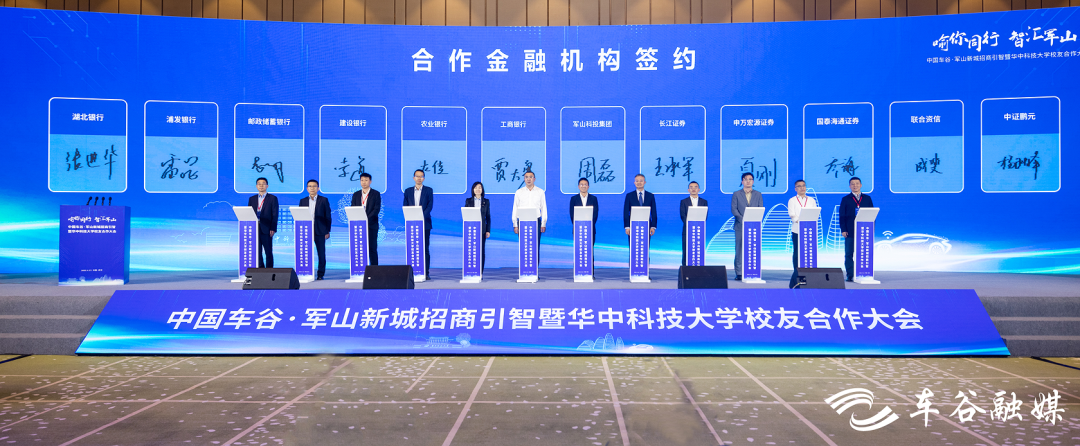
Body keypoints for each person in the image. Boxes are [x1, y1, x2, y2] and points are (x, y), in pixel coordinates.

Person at [839, 176, 874, 282]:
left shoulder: (867, 198)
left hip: (864, 231)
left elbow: (872, 214)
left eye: (857, 183)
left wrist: (871, 229)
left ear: (861, 185)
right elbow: (842, 216)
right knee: (849, 253)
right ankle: (850, 274)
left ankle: (863, 273)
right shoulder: (845, 199)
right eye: (853, 184)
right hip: (850, 231)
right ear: (849, 186)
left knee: (863, 252)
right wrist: (843, 229)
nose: (855, 185)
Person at [731, 172, 764, 280]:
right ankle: (739, 272)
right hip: (740, 226)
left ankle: (752, 270)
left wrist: (754, 220)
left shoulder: (758, 194)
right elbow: (734, 209)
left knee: (753, 249)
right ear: (742, 181)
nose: (748, 181)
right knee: (739, 249)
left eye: (750, 179)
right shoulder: (736, 194)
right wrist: (743, 219)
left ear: (753, 181)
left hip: (754, 226)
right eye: (746, 179)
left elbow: (760, 208)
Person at [403, 169, 434, 279]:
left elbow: (429, 206)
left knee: (425, 249)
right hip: (411, 224)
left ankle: (426, 272)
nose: (419, 178)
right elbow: (405, 206)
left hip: (425, 223)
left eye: (421, 176)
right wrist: (412, 217)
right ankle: (412, 272)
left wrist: (420, 217)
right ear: (414, 178)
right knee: (413, 248)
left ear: (424, 178)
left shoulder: (429, 190)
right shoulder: (408, 191)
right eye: (417, 176)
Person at [512, 171, 547, 263]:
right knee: (524, 245)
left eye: (530, 177)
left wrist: (543, 223)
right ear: (524, 179)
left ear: (534, 179)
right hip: (522, 221)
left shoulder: (540, 192)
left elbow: (543, 208)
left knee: (535, 245)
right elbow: (515, 208)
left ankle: (535, 268)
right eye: (526, 177)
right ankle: (524, 268)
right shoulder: (519, 192)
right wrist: (515, 224)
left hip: (536, 221)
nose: (528, 179)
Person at [300, 179, 332, 280]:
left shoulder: (324, 200)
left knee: (321, 253)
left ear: (318, 188)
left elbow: (328, 216)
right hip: (306, 231)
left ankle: (320, 274)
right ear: (307, 188)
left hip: (320, 230)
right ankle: (306, 272)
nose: (312, 188)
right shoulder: (303, 201)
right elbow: (300, 216)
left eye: (314, 186)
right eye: (310, 186)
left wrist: (327, 230)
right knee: (306, 253)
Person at [350, 173, 381, 266]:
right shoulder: (356, 194)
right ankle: (360, 268)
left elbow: (376, 210)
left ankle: (374, 269)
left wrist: (366, 219)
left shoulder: (376, 194)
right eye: (362, 180)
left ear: (370, 181)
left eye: (366, 180)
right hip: (358, 226)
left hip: (371, 225)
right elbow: (353, 208)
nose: (364, 182)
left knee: (372, 248)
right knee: (359, 248)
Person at [247, 177, 278, 268]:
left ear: (267, 186)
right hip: (255, 228)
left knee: (268, 251)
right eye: (259, 184)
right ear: (256, 186)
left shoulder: (272, 198)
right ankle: (261, 269)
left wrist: (273, 228)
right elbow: (249, 213)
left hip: (267, 228)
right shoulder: (252, 199)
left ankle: (269, 270)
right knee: (257, 251)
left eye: (263, 184)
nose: (261, 185)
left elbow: (275, 214)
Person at [787, 179, 816, 271]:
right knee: (797, 252)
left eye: (803, 185)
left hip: (809, 229)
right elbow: (792, 214)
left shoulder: (811, 200)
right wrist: (800, 221)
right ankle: (797, 272)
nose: (802, 188)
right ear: (795, 189)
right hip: (797, 230)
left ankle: (810, 272)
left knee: (809, 252)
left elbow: (815, 212)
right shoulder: (792, 200)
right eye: (799, 186)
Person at [679, 181, 708, 266]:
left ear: (699, 189)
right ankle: (685, 270)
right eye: (691, 187)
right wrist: (690, 225)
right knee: (686, 250)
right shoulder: (683, 201)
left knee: (698, 250)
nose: (693, 189)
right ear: (688, 190)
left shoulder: (704, 201)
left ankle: (699, 269)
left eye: (695, 187)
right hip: (687, 230)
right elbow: (683, 216)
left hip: (699, 230)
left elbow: (705, 216)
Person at [465, 181, 491, 272]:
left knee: (481, 250)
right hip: (471, 229)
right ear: (473, 190)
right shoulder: (468, 201)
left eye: (480, 187)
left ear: (482, 189)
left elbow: (488, 217)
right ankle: (471, 270)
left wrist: (488, 230)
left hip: (482, 229)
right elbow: (466, 215)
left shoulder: (486, 201)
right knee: (471, 250)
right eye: (476, 188)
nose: (478, 189)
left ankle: (480, 272)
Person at [623, 173, 657, 237]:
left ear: (644, 182)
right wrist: (627, 226)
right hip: (632, 225)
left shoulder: (650, 196)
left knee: (646, 243)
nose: (639, 182)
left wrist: (653, 226)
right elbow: (626, 212)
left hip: (647, 225)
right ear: (634, 183)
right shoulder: (629, 195)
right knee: (633, 243)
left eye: (641, 181)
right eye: (637, 181)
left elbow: (654, 212)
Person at [569, 177, 599, 243]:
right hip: (578, 229)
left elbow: (595, 214)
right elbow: (572, 214)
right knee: (578, 248)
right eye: (581, 184)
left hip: (590, 228)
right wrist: (578, 224)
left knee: (590, 248)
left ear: (588, 186)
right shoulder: (573, 199)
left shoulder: (594, 198)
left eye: (585, 184)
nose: (583, 186)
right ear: (578, 186)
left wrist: (589, 224)